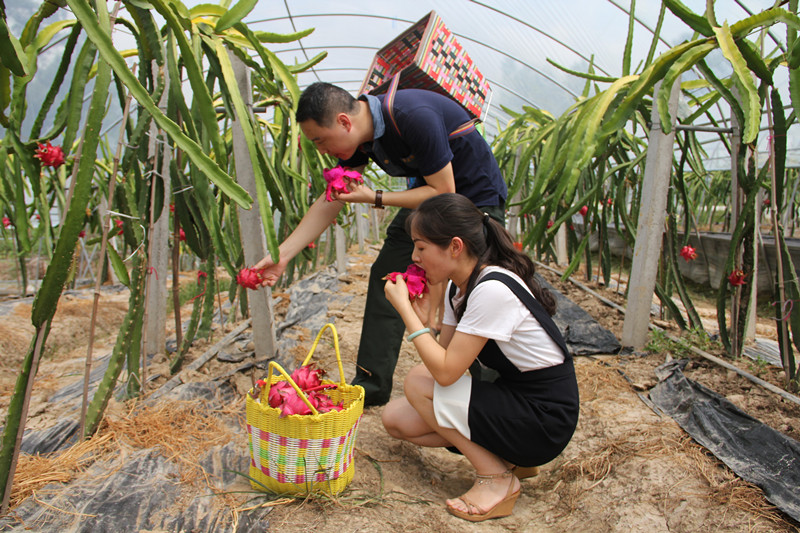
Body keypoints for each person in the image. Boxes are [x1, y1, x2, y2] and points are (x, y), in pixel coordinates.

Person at [254, 82, 507, 406]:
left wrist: (374, 197)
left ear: (345, 121)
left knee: (476, 292)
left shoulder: (414, 115)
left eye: (319, 139)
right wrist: (284, 255)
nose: (320, 150)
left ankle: (493, 399)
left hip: (476, 201)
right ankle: (370, 388)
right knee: (388, 275)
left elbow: (445, 191)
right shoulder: (362, 141)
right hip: (429, 204)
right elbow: (332, 200)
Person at [381, 193, 579, 522]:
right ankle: (509, 460)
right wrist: (422, 317)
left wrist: (405, 313)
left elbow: (443, 376)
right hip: (515, 399)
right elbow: (446, 360)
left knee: (417, 382)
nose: (414, 257)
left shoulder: (491, 289)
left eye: (421, 246)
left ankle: (496, 478)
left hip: (545, 417)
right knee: (396, 420)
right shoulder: (457, 287)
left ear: (455, 246)